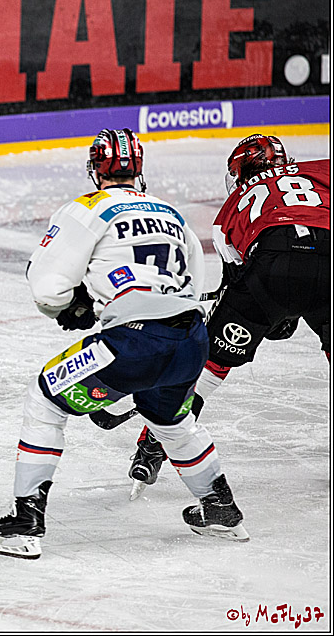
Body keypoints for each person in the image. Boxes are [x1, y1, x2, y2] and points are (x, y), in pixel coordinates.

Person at [0, 128, 249, 561]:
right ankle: (220, 509)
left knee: (46, 398)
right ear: (139, 169)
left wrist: (74, 307)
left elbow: (48, 288)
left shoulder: (89, 208)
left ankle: (25, 521)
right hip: (192, 342)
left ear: (95, 169)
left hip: (134, 341)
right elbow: (194, 286)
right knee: (172, 422)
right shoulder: (171, 213)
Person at [126, 134, 330, 494]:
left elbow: (238, 276)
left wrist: (273, 310)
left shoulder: (230, 208)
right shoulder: (320, 171)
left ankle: (153, 444)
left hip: (270, 267)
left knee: (207, 361)